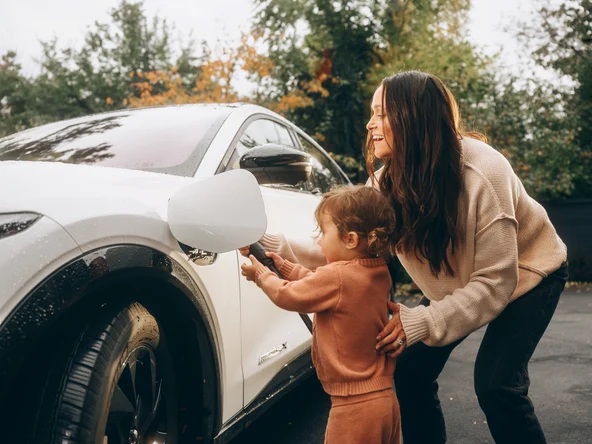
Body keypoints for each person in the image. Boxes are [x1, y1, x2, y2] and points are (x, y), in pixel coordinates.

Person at [250, 71, 568, 443]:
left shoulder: (484, 172)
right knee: (409, 372)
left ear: (413, 116)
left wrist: (424, 320)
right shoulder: (385, 185)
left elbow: (496, 281)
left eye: (380, 113)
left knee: (497, 385)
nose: (370, 124)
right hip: (455, 282)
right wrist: (270, 243)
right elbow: (346, 247)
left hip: (528, 274)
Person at [240, 185, 401, 444]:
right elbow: (318, 282)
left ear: (350, 239)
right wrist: (283, 265)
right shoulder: (377, 272)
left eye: (323, 233)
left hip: (353, 409)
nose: (318, 241)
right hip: (384, 401)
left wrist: (261, 275)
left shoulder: (336, 276)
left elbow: (289, 295)